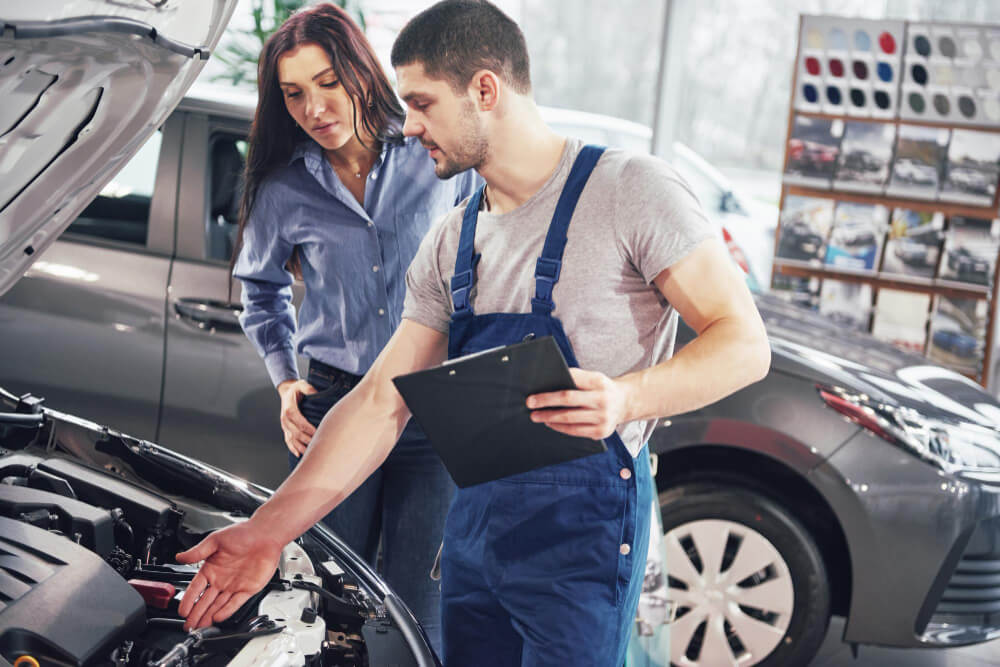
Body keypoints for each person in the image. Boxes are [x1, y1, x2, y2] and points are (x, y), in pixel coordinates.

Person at [178, 1, 771, 664]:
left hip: (582, 540)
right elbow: (380, 401)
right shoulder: (451, 240)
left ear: (484, 89)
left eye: (423, 103)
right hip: (475, 533)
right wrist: (265, 532)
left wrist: (625, 399)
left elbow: (744, 343)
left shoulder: (630, 190)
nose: (410, 124)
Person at [228, 3, 478, 652]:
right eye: (295, 93)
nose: (315, 106)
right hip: (335, 403)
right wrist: (286, 382)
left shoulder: (434, 155)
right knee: (327, 596)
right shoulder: (284, 189)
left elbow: (491, 251)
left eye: (327, 82)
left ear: (360, 74)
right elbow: (260, 290)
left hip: (432, 403)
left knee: (414, 602)